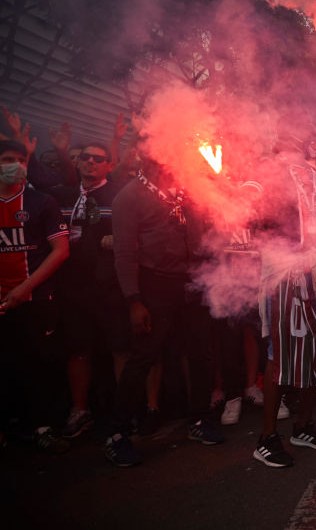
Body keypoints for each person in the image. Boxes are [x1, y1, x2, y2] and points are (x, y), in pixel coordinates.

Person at [105, 154, 223, 467]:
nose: (166, 161)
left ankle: (199, 419)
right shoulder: (129, 196)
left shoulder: (189, 190)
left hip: (193, 281)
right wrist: (134, 300)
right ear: (145, 159)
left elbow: (206, 235)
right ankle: (117, 433)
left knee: (201, 353)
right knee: (144, 356)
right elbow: (124, 254)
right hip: (155, 285)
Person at [250, 115, 316, 468]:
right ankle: (267, 437)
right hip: (282, 269)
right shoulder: (267, 172)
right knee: (281, 352)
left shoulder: (315, 175)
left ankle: (302, 426)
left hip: (315, 267)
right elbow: (248, 203)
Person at [50, 143, 128, 438]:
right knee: (78, 349)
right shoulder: (62, 195)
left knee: (120, 346)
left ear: (109, 164)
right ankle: (80, 410)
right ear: (78, 162)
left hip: (110, 285)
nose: (91, 163)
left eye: (99, 159)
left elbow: (135, 230)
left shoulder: (120, 194)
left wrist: (117, 238)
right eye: (86, 158)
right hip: (73, 287)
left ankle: (124, 410)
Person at [0, 139, 70, 453]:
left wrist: (24, 289)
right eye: (6, 159)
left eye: (20, 159)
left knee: (41, 363)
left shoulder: (42, 202)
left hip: (36, 299)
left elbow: (60, 251)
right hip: (2, 302)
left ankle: (44, 426)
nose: (14, 164)